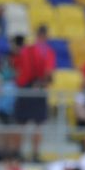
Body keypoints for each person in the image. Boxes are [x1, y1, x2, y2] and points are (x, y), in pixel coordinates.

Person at [14, 28, 55, 161]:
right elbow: (49, 73)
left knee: (24, 124)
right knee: (35, 125)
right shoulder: (47, 51)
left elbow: (18, 68)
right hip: (37, 87)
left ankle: (20, 153)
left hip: (27, 87)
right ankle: (33, 154)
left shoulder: (27, 50)